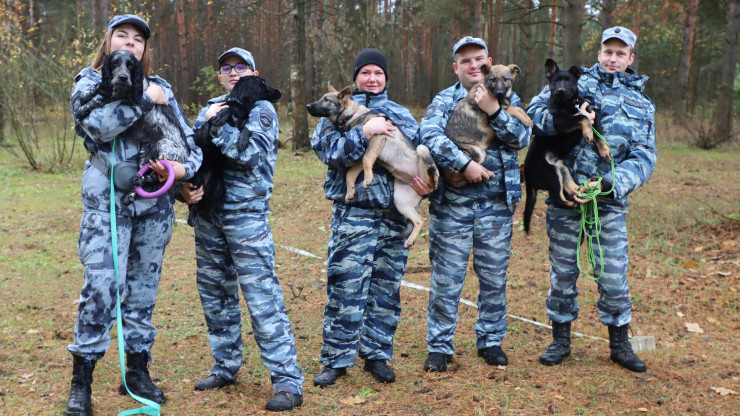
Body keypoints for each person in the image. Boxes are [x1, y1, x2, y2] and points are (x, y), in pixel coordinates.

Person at [66, 14, 202, 416]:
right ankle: (81, 382)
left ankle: (138, 371)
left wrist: (181, 171)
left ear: (145, 48)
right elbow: (98, 126)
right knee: (102, 289)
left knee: (142, 292)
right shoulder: (89, 83)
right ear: (108, 43)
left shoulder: (163, 88)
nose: (130, 43)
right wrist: (146, 99)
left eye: (137, 39)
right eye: (121, 36)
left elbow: (188, 139)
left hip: (154, 207)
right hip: (107, 201)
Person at [525, 26, 656, 372]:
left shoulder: (642, 105)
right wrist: (568, 121)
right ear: (599, 54)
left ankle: (619, 344)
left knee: (613, 276)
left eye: (620, 53)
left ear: (630, 59)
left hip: (608, 202)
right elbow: (532, 116)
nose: (613, 58)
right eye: (607, 51)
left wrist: (612, 183)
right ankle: (560, 340)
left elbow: (645, 156)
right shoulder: (574, 82)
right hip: (565, 198)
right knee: (563, 273)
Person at [184, 47, 304, 412]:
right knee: (216, 297)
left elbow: (249, 155)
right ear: (220, 76)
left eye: (241, 67)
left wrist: (215, 123)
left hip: (246, 219)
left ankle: (287, 381)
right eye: (227, 68)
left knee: (262, 299)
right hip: (208, 217)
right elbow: (190, 155)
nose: (233, 73)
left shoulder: (261, 108)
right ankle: (225, 366)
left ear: (253, 71)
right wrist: (183, 187)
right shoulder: (211, 106)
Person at [310, 48, 432, 387]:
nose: (373, 78)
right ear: (355, 78)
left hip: (395, 217)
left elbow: (420, 152)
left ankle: (377, 355)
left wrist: (427, 180)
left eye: (379, 73)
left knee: (386, 290)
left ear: (386, 78)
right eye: (366, 73)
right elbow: (328, 154)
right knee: (345, 288)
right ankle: (336, 360)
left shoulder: (402, 114)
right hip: (354, 214)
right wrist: (364, 132)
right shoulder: (334, 113)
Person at [418, 36, 531, 372]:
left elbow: (522, 139)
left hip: (496, 206)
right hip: (452, 205)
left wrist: (494, 110)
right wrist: (463, 164)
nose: (472, 66)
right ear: (456, 67)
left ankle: (491, 341)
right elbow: (430, 136)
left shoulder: (506, 96)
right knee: (446, 280)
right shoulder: (444, 100)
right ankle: (439, 347)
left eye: (478, 59)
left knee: (494, 278)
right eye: (464, 61)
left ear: (488, 62)